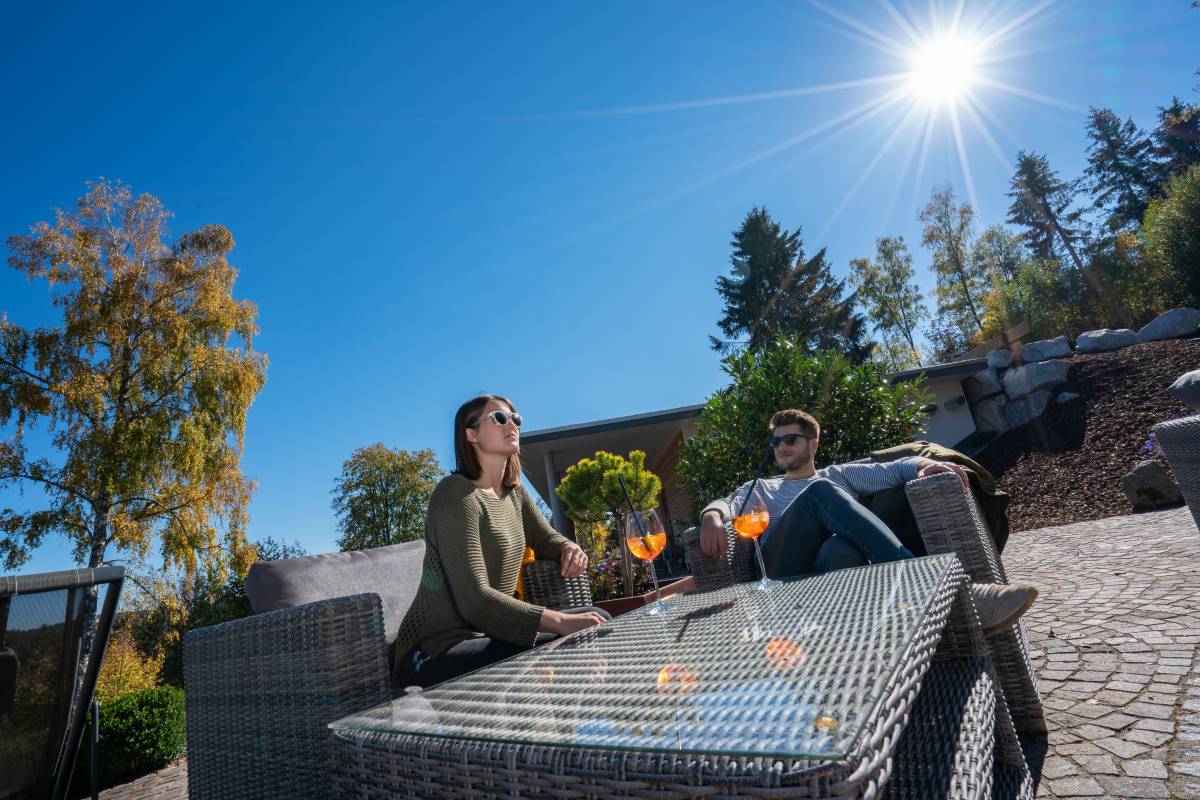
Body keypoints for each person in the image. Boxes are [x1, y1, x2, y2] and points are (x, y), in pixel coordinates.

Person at [699, 408, 1038, 637]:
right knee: (820, 492)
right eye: (776, 441)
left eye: (790, 440)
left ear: (813, 444)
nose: (781, 447)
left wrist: (925, 465)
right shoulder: (763, 487)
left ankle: (861, 636)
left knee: (839, 546)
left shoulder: (840, 475)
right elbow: (727, 504)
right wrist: (712, 516)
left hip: (835, 583)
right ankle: (947, 595)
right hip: (781, 576)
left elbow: (893, 468)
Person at [393, 394, 608, 689]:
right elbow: (475, 601)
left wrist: (567, 546)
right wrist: (559, 621)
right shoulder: (455, 494)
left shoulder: (515, 495)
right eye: (499, 418)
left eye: (515, 418)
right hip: (434, 650)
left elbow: (546, 539)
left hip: (487, 635)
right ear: (471, 435)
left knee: (599, 618)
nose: (513, 424)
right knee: (557, 640)